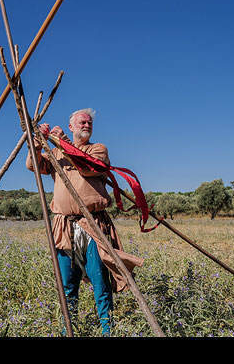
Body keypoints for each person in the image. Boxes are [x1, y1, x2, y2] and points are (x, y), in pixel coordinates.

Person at [26, 108, 143, 336]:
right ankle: (68, 329)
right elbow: (35, 166)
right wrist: (38, 143)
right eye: (82, 122)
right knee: (68, 285)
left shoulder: (97, 150)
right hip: (64, 227)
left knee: (100, 282)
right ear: (71, 126)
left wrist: (63, 141)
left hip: (91, 225)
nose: (86, 125)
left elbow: (89, 167)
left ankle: (107, 330)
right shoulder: (57, 152)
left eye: (89, 123)